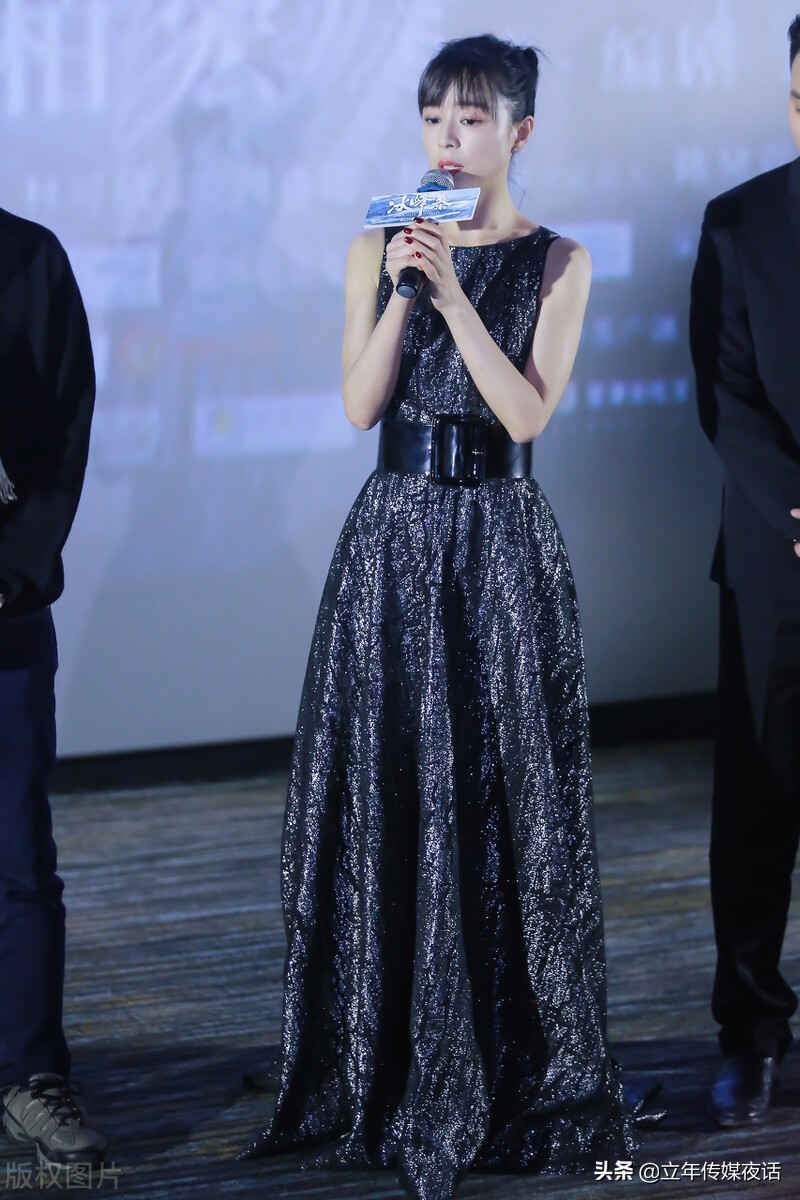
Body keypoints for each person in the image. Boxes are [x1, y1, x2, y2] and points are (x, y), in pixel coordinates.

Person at [242, 34, 635, 1198]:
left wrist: (459, 295)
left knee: (501, 797)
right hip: (393, 544)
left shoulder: (559, 261)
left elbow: (525, 415)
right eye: (429, 119)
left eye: (467, 119)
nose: (445, 140)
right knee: (392, 788)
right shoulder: (378, 244)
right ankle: (382, 1048)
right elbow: (360, 405)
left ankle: (510, 1052)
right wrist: (408, 292)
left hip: (500, 550)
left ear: (518, 132)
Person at [690, 13, 800, 1129]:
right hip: (775, 561)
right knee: (757, 804)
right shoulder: (738, 222)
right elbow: (722, 395)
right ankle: (753, 1031)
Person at [0, 206, 107, 1166]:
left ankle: (30, 1072)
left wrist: (11, 571)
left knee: (18, 859)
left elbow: (65, 426)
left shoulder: (30, 260)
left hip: (2, 609)